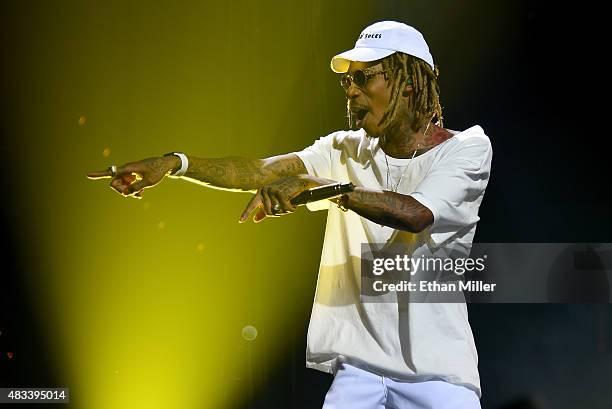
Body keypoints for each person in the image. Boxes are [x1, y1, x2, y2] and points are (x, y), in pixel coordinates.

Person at [88, 21, 492, 409]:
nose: (350, 91)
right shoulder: (344, 149)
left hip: (436, 373)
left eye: (365, 77)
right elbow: (262, 171)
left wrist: (318, 187)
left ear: (408, 82)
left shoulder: (467, 149)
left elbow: (416, 213)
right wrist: (175, 163)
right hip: (359, 368)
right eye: (346, 81)